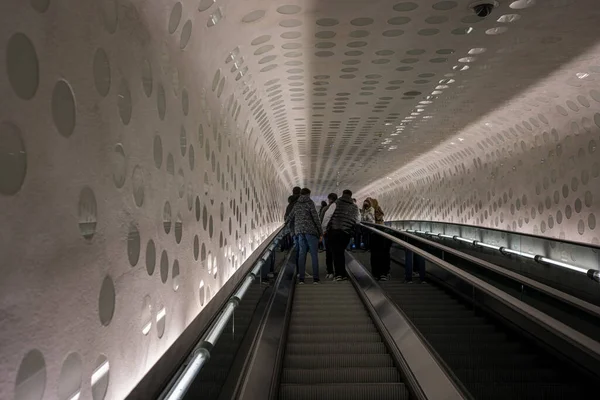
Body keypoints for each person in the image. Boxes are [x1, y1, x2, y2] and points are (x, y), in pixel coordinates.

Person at [286, 188, 322, 284]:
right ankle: (316, 279)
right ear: (308, 194)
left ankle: (301, 279)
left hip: (299, 232)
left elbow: (290, 216)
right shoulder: (310, 203)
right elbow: (316, 218)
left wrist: (286, 224)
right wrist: (320, 232)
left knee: (302, 254)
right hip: (311, 232)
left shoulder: (297, 204)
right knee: (314, 255)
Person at [322, 189, 360, 281]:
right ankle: (342, 274)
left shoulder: (336, 203)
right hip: (346, 233)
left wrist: (323, 229)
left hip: (334, 231)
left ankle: (339, 274)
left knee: (336, 253)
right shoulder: (355, 207)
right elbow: (358, 220)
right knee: (341, 252)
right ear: (351, 196)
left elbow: (327, 216)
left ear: (342, 194)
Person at [369, 198, 392, 281]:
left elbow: (374, 220)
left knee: (378, 254)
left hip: (378, 233)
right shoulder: (372, 211)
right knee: (380, 254)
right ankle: (381, 273)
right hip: (379, 233)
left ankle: (380, 273)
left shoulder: (375, 211)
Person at [320, 193, 338, 279]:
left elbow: (324, 219)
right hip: (337, 232)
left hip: (328, 232)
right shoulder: (339, 207)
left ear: (329, 199)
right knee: (337, 252)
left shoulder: (326, 208)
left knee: (329, 252)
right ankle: (338, 272)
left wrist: (322, 231)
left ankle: (330, 271)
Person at [285, 187, 301, 265]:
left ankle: (295, 268)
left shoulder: (290, 205)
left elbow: (286, 217)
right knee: (301, 248)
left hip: (292, 229)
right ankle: (299, 269)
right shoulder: (302, 203)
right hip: (302, 229)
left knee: (295, 247)